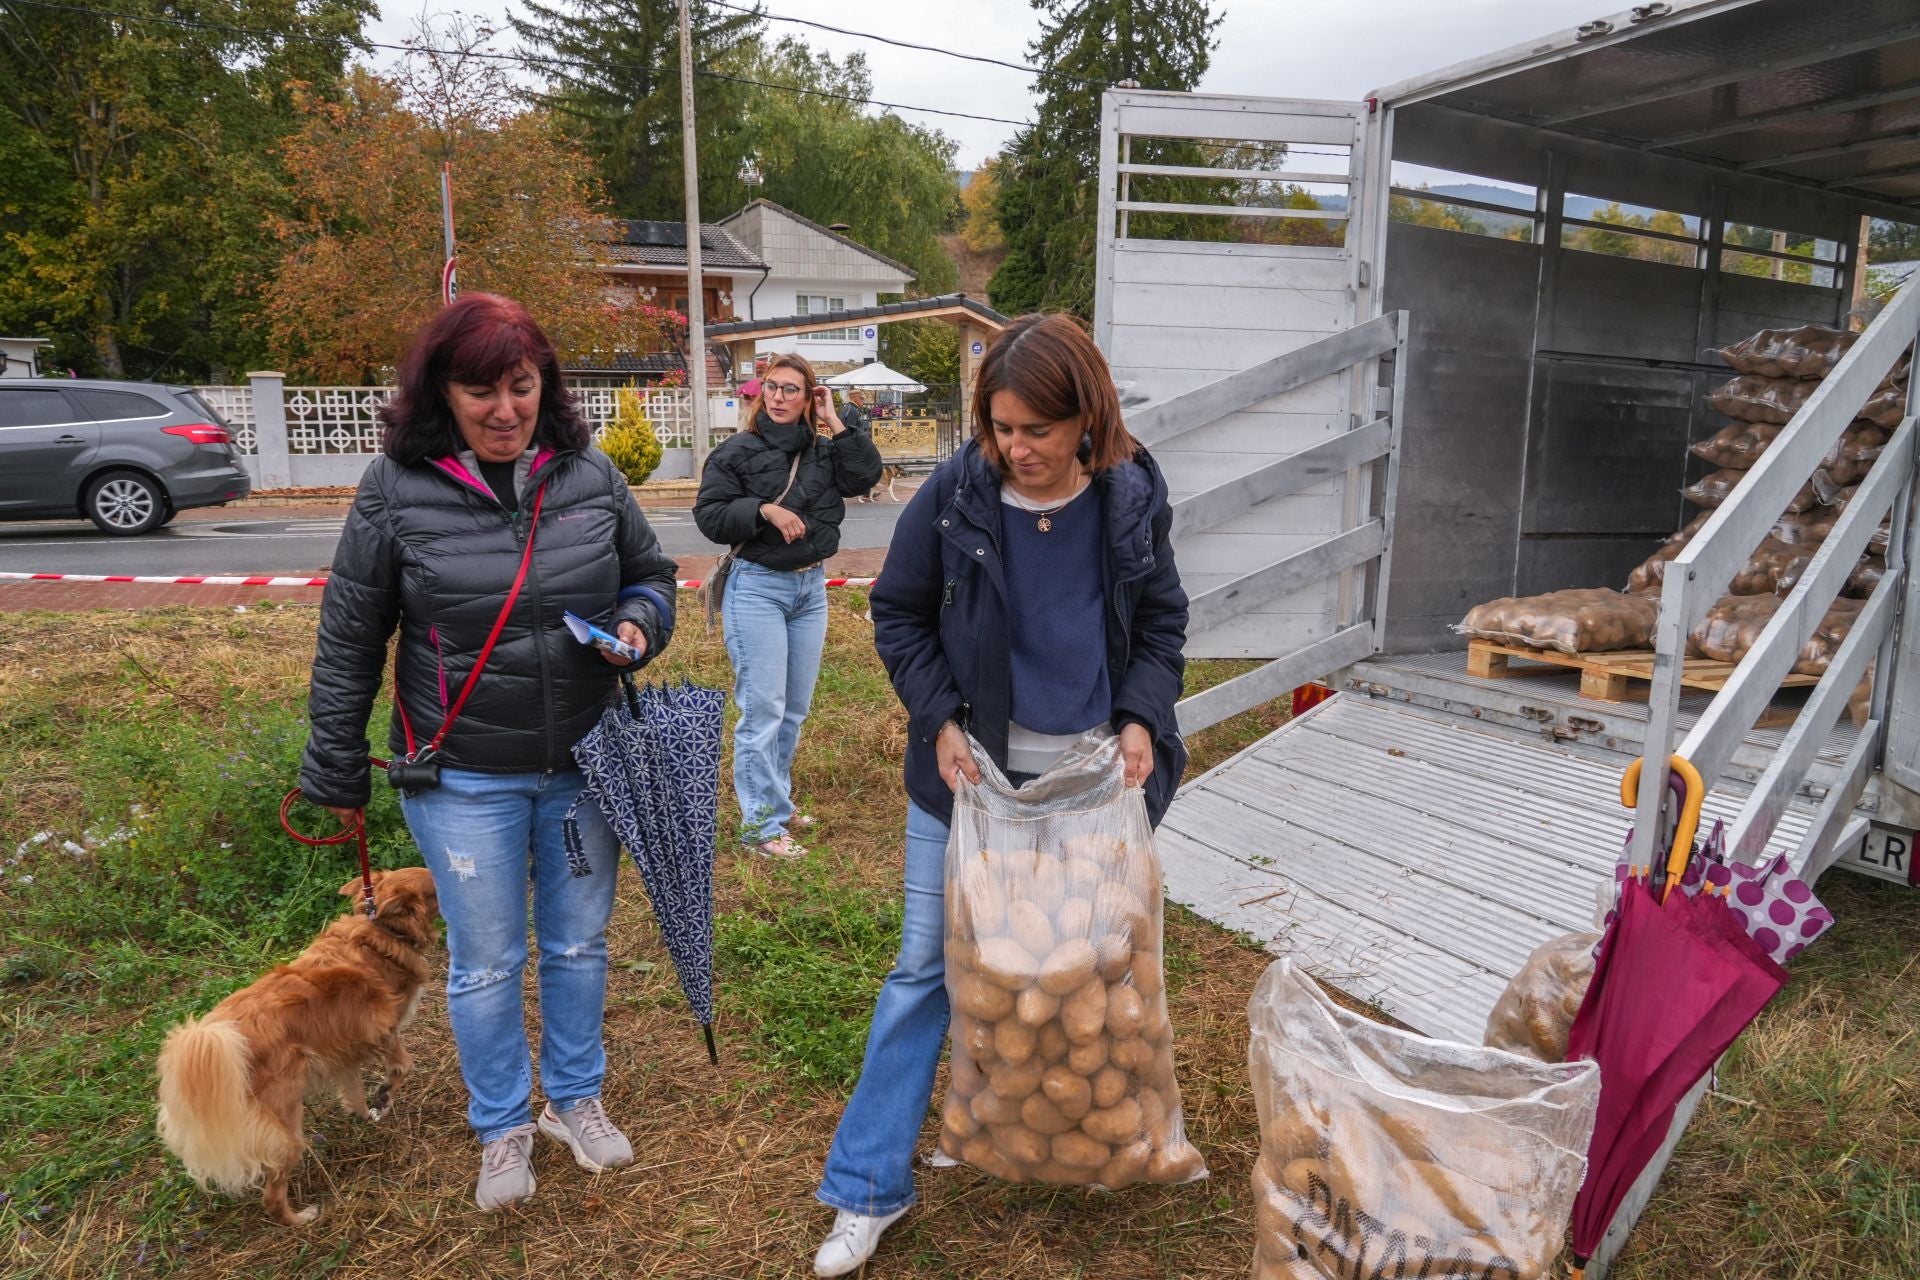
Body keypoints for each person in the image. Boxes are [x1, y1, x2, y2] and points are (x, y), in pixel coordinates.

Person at [810, 314, 1189, 1276]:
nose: (1016, 449)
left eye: (1037, 431)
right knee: (927, 968)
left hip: (1093, 781)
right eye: (1001, 427)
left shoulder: (1133, 497)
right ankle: (866, 1189)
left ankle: (1103, 1139)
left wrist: (1143, 715)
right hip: (970, 779)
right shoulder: (956, 494)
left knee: (1096, 962)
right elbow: (895, 610)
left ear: (1085, 420)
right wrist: (940, 719)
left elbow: (1162, 622)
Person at [298, 293, 679, 1211]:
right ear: (442, 394)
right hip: (463, 773)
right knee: (486, 958)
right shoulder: (396, 487)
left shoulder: (589, 472)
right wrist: (335, 764)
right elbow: (352, 635)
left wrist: (637, 622)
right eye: (481, 392)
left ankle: (574, 1102)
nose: (505, 410)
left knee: (581, 946)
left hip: (589, 765)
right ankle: (503, 1123)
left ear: (544, 383)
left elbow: (652, 575)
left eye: (522, 386)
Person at [694, 352, 883, 859]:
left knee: (793, 710)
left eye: (791, 389)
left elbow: (865, 476)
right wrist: (763, 509)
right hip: (756, 588)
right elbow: (709, 516)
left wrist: (836, 420)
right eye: (772, 388)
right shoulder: (735, 451)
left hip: (810, 589)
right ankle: (759, 824)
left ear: (809, 397)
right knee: (763, 710)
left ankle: (776, 802)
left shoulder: (825, 451)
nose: (779, 397)